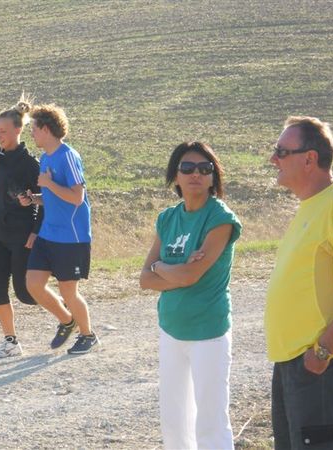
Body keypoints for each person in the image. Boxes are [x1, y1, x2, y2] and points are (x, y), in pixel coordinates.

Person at [139, 142, 242, 449]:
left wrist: (169, 272)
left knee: (210, 424)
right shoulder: (168, 218)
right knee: (174, 422)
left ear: (213, 178)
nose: (195, 174)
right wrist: (170, 269)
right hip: (171, 328)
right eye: (187, 168)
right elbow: (145, 279)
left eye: (204, 169)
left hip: (208, 331)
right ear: (176, 176)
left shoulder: (220, 218)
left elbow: (190, 275)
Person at [264, 116, 333, 450]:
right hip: (293, 364)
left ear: (310, 159)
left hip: (319, 365)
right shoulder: (310, 208)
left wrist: (323, 349)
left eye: (281, 151)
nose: (273, 159)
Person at [19, 104, 98, 355]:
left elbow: (77, 197)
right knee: (33, 284)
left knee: (68, 291)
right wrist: (35, 199)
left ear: (45, 129)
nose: (31, 134)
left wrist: (49, 184)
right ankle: (67, 320)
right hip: (48, 234)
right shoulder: (46, 157)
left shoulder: (68, 156)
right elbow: (54, 196)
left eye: (33, 129)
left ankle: (88, 335)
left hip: (71, 237)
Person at [0, 96, 43, 358]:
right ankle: (10, 342)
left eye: (3, 132)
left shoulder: (31, 164)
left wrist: (35, 231)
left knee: (26, 294)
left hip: (22, 235)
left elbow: (45, 201)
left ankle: (67, 310)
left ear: (18, 130)